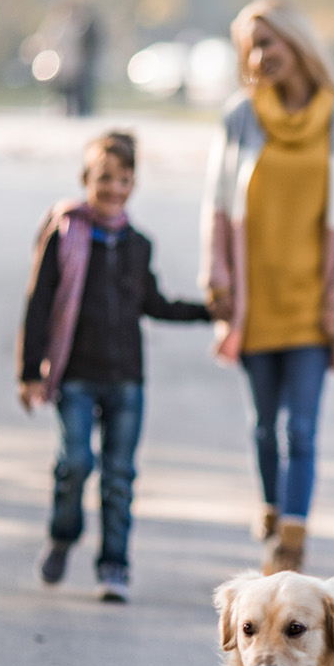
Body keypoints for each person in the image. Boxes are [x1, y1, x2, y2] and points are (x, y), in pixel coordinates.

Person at [201, 0, 334, 576]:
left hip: (312, 303)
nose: (258, 56)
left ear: (297, 45)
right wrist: (217, 275)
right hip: (256, 302)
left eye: (268, 42)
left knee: (300, 426)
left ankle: (292, 537)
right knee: (262, 425)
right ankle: (273, 507)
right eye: (250, 47)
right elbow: (218, 205)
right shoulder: (241, 117)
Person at [19, 130, 214, 602]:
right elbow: (39, 304)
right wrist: (29, 372)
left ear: (133, 184)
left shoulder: (138, 244)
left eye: (123, 179)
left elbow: (154, 302)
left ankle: (114, 566)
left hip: (127, 379)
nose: (113, 188)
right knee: (75, 462)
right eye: (104, 178)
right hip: (76, 377)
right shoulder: (63, 234)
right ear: (87, 179)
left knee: (119, 476)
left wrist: (210, 310)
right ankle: (63, 535)